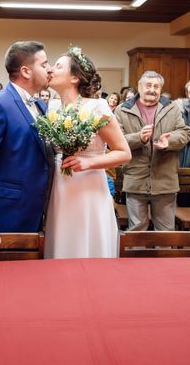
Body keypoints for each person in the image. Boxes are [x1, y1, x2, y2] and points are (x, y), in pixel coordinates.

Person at [0, 41, 53, 247]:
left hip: (37, 211)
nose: (49, 69)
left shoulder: (40, 105)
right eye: (44, 64)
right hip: (6, 215)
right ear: (26, 71)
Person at [45, 49, 131, 258]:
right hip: (61, 184)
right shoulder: (52, 106)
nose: (50, 69)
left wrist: (88, 163)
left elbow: (124, 153)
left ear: (74, 77)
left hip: (89, 184)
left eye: (58, 66)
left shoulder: (97, 106)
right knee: (63, 238)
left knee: (88, 241)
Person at [115, 71, 190, 231]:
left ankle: (163, 257)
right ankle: (138, 257)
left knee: (166, 231)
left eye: (156, 86)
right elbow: (116, 141)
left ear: (161, 89)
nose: (152, 89)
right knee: (137, 230)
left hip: (165, 179)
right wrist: (139, 138)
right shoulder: (122, 110)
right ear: (139, 87)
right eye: (148, 85)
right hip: (135, 179)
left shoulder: (172, 108)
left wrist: (168, 141)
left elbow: (184, 133)